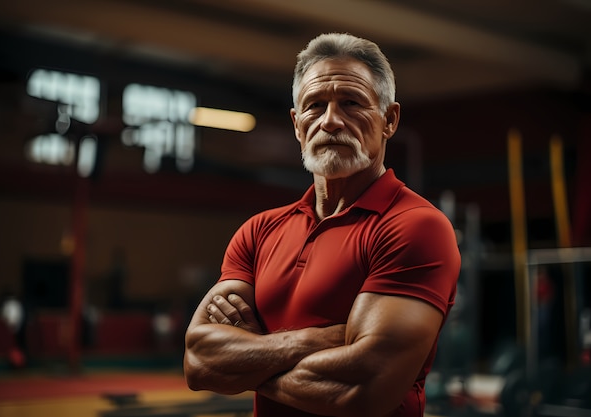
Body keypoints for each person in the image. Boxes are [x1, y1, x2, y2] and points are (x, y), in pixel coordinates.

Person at [184, 32, 461, 417]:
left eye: (351, 103)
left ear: (389, 120)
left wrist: (248, 364)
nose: (331, 121)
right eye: (315, 106)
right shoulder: (259, 231)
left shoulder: (416, 226)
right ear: (297, 124)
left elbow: (363, 391)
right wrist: (320, 340)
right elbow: (200, 362)